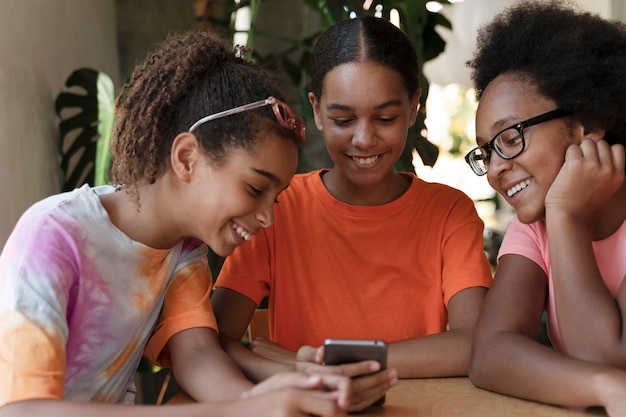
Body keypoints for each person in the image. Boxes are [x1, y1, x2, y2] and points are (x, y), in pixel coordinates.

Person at [0, 31, 360, 417]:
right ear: (187, 157)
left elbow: (198, 353)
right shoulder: (53, 235)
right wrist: (243, 410)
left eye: (276, 197)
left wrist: (267, 398)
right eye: (255, 188)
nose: (268, 217)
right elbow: (23, 410)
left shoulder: (185, 249)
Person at [211, 15, 493, 411]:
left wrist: (319, 362)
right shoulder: (277, 207)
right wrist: (288, 372)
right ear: (318, 111)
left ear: (414, 108)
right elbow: (213, 338)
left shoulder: (449, 213)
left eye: (386, 118)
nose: (364, 139)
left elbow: (476, 344)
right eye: (343, 119)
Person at [463, 1, 626, 416]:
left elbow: (605, 354)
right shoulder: (534, 227)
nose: (496, 167)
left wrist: (567, 215)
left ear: (586, 123)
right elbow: (490, 354)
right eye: (486, 151)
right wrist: (606, 387)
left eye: (511, 137)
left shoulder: (556, 216)